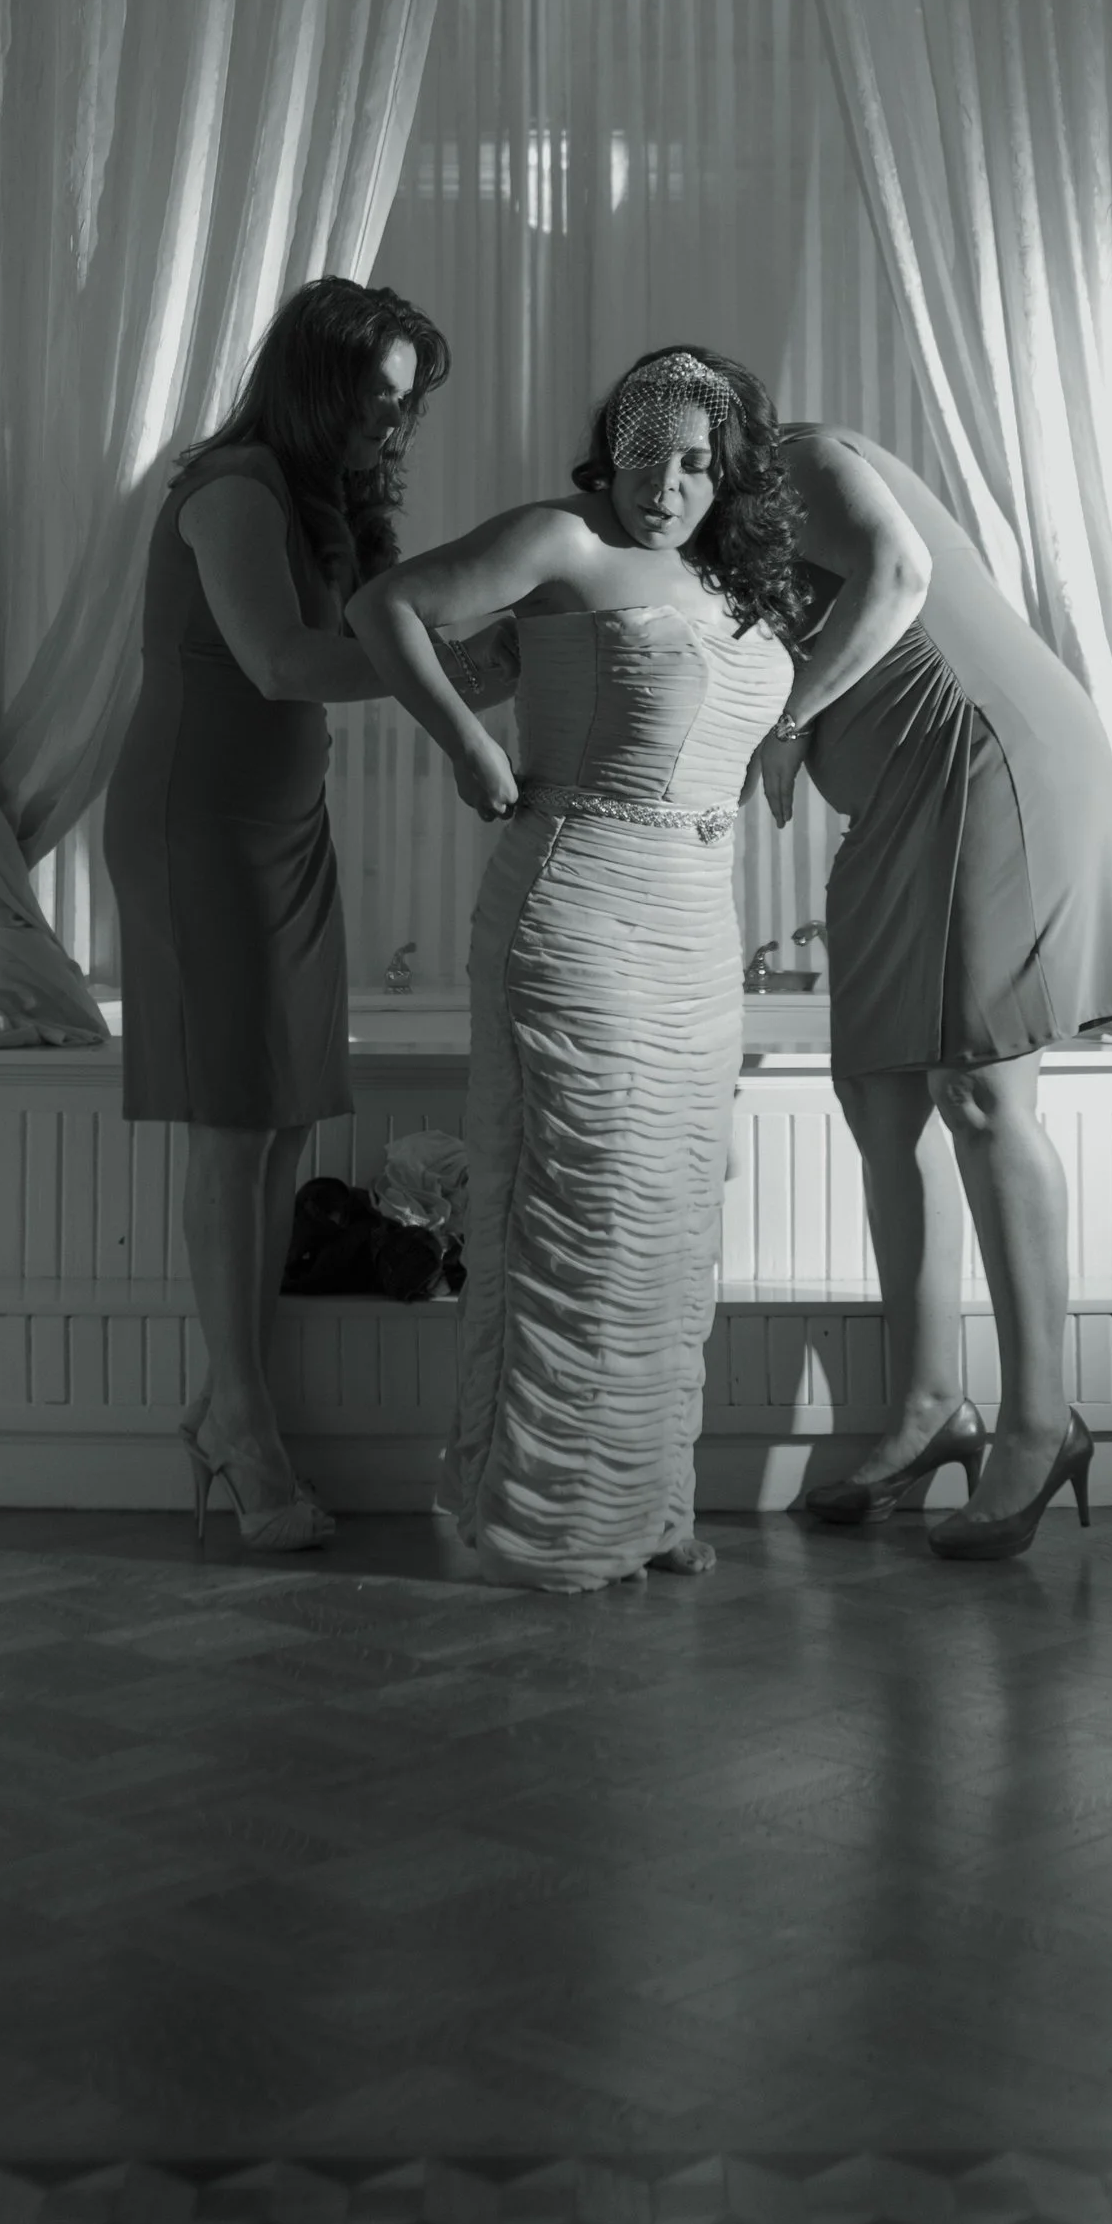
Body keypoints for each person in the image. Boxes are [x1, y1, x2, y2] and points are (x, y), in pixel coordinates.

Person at [347, 348, 798, 1592]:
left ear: (731, 468)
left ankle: (646, 1504)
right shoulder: (563, 542)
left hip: (697, 932)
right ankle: (550, 1521)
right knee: (580, 1209)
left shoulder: (732, 577)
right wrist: (462, 749)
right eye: (646, 455)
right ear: (612, 450)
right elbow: (383, 607)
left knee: (666, 1222)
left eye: (698, 462)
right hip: (579, 910)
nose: (666, 485)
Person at [104, 277, 453, 1556]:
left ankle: (224, 1400)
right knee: (231, 1120)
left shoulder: (325, 497)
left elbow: (375, 633)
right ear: (313, 384)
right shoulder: (237, 484)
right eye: (373, 400)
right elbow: (281, 665)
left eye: (403, 408)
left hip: (281, 829)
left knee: (284, 1115)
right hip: (195, 823)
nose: (389, 428)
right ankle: (243, 1430)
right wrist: (452, 669)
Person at [754, 427, 1112, 1561]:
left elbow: (899, 575)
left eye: (691, 443)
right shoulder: (697, 535)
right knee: (879, 1100)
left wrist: (784, 728)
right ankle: (928, 1410)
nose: (671, 472)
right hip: (889, 806)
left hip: (983, 755)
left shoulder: (803, 458)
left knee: (978, 1093)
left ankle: (1039, 1420)